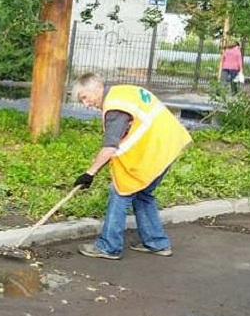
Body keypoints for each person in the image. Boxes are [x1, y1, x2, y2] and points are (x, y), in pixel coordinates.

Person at [70, 72, 192, 260]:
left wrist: (90, 173)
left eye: (85, 97)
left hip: (152, 152)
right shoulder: (122, 92)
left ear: (97, 87)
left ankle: (109, 246)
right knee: (143, 193)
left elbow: (110, 146)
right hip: (168, 145)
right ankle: (156, 242)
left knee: (120, 193)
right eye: (82, 101)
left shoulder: (115, 108)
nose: (86, 104)